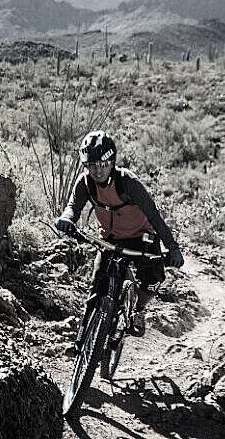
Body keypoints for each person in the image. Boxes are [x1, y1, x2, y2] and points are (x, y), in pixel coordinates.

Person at [55, 130, 184, 341]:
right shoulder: (85, 183)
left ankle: (139, 309)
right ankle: (81, 342)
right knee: (97, 284)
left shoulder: (128, 182)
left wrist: (173, 247)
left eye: (102, 165)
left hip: (141, 236)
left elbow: (154, 215)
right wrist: (67, 219)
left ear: (112, 162)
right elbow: (72, 207)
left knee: (153, 279)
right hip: (109, 238)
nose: (96, 170)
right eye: (91, 165)